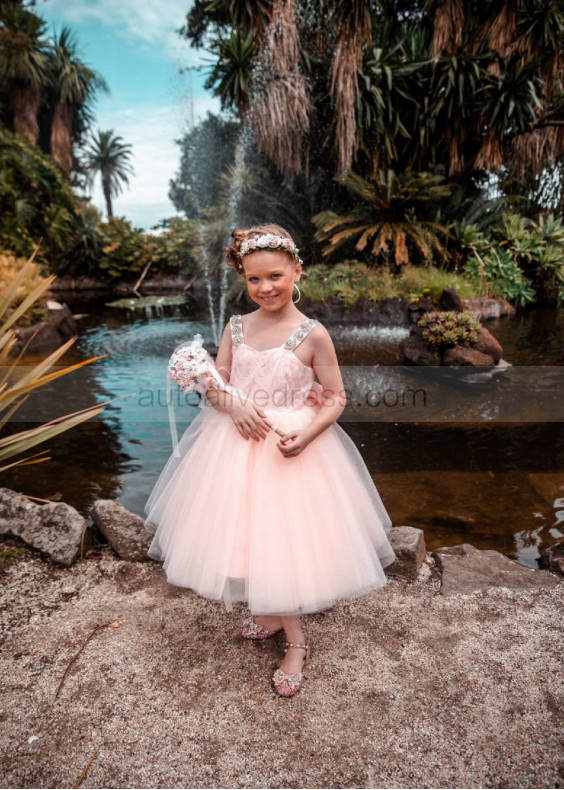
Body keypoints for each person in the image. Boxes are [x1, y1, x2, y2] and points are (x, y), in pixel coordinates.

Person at [144, 223, 396, 697]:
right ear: (244, 279)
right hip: (232, 443)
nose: (266, 288)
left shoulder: (313, 334)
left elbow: (337, 398)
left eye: (276, 276)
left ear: (297, 270)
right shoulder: (236, 327)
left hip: (289, 444)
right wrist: (231, 402)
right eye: (254, 280)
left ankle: (297, 641)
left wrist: (307, 434)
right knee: (244, 534)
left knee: (283, 539)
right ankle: (268, 613)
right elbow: (216, 385)